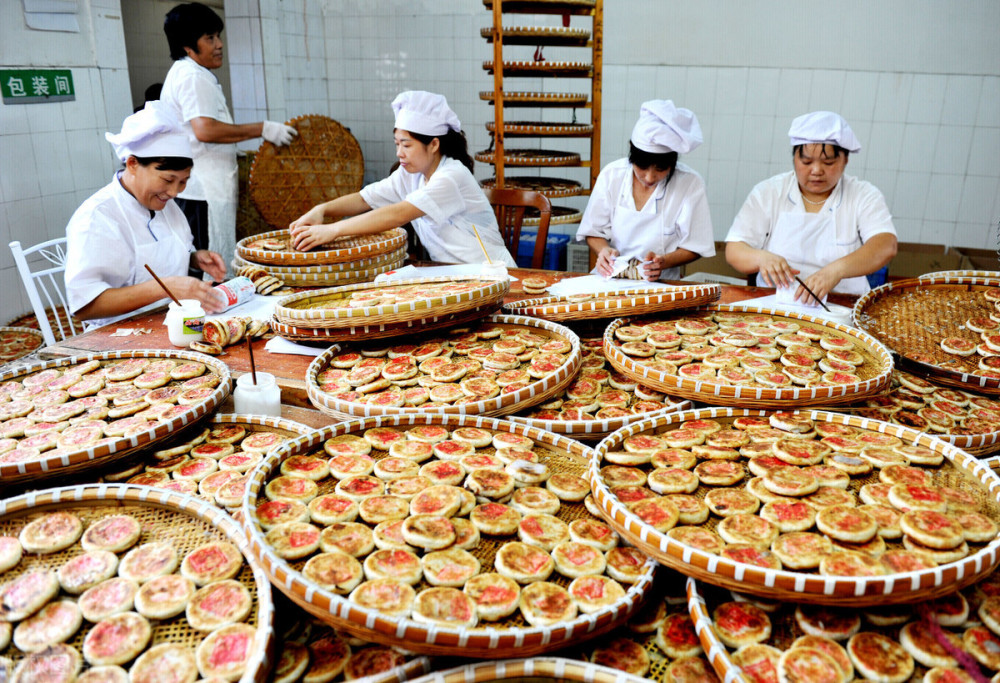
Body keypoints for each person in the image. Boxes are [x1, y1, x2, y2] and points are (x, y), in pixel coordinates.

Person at [289, 90, 515, 266]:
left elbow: (397, 214)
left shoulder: (451, 176)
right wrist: (321, 210)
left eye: (406, 145)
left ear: (434, 144)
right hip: (453, 275)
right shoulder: (411, 174)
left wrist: (332, 230)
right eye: (397, 144)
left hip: (492, 273)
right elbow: (364, 199)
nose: (399, 153)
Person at [64, 102, 228, 330]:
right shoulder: (98, 216)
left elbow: (158, 247)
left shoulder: (163, 202)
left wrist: (193, 256)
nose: (174, 192)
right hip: (118, 336)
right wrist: (166, 287)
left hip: (171, 322)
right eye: (168, 180)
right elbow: (85, 307)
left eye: (183, 182)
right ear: (132, 164)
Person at [161, 2, 297, 269]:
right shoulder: (192, 76)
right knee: (209, 265)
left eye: (218, 36)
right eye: (209, 38)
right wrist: (263, 129)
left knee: (213, 260)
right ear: (188, 46)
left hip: (205, 188)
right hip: (203, 191)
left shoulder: (194, 74)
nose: (219, 44)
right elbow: (205, 129)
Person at [725, 111, 897, 300]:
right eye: (806, 161)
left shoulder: (863, 195)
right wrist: (761, 258)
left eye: (828, 162)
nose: (816, 171)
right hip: (775, 301)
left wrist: (835, 271)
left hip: (841, 302)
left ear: (845, 160)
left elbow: (885, 245)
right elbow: (734, 249)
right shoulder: (769, 191)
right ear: (794, 159)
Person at [576, 99, 715, 282]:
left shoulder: (690, 183)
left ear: (673, 163)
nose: (649, 178)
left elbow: (696, 246)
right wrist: (603, 250)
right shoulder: (612, 175)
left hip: (662, 283)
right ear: (631, 156)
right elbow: (593, 231)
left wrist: (662, 262)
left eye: (660, 169)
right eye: (641, 167)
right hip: (611, 279)